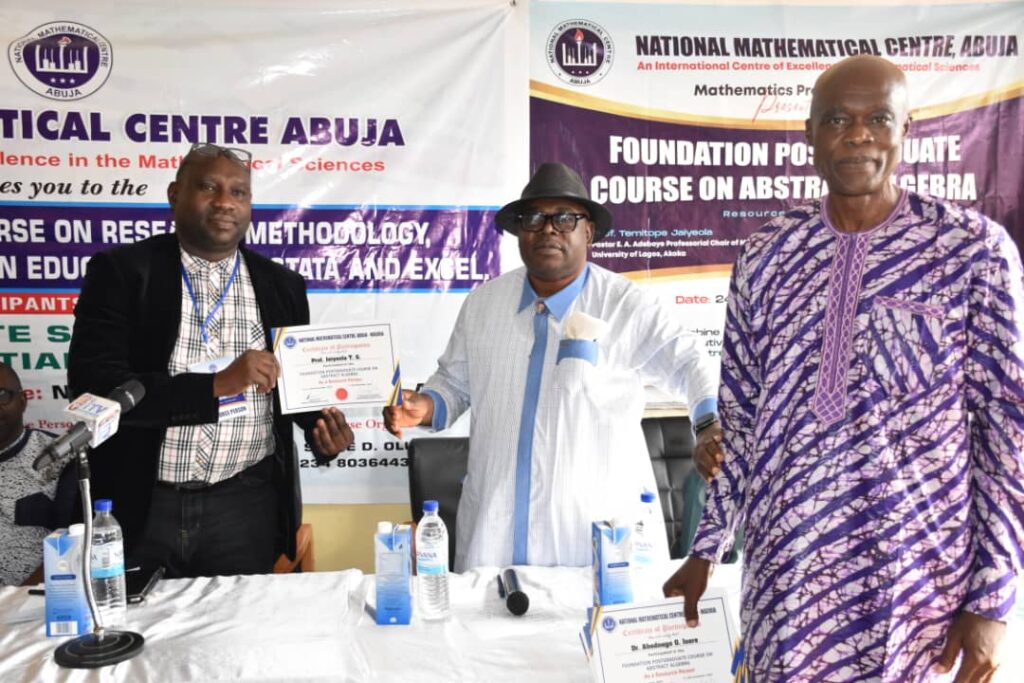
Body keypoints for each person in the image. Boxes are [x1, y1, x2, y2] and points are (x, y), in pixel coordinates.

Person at [665, 55, 1023, 682]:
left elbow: (1006, 435)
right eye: (837, 119)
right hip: (787, 574)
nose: (858, 135)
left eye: (878, 118)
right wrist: (706, 547)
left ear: (905, 130)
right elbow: (741, 421)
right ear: (809, 134)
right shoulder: (766, 255)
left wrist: (992, 599)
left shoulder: (973, 251)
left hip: (915, 581)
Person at [383, 162, 723, 571]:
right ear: (518, 232)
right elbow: (454, 384)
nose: (548, 229)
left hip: (593, 539)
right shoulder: (483, 305)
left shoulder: (625, 305)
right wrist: (424, 406)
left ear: (589, 232)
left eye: (565, 218)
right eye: (534, 218)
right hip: (495, 535)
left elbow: (689, 362)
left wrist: (707, 428)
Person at [68, 143, 354, 578]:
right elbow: (95, 385)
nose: (225, 201)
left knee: (236, 639)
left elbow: (294, 389)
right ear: (174, 195)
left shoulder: (282, 286)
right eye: (208, 187)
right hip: (142, 504)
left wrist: (323, 434)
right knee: (138, 637)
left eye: (239, 192)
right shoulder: (123, 273)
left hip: (243, 508)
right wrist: (215, 385)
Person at [0, 363, 75, 586]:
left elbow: (73, 545)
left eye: (2, 395)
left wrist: (14, 602)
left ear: (23, 401)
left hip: (34, 603)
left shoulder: (60, 458)